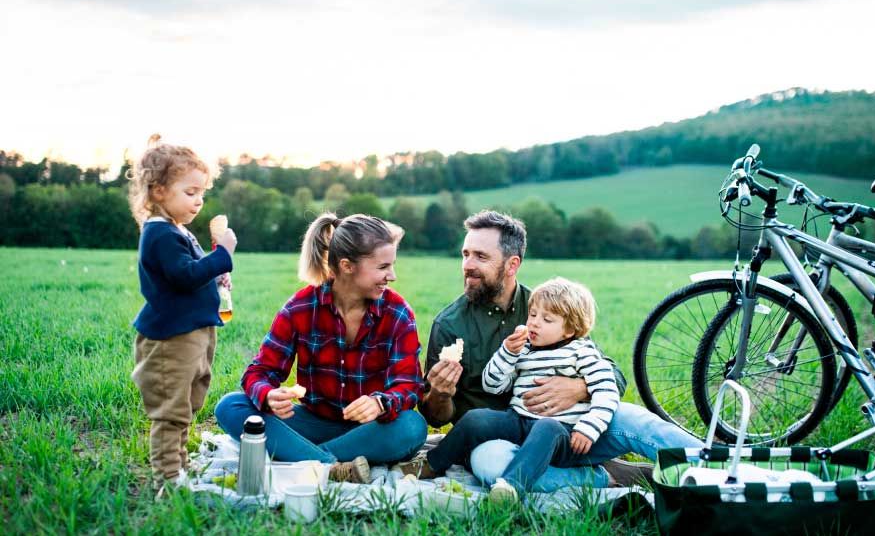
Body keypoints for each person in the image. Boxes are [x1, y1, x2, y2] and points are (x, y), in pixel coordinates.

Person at [415, 210, 702, 490]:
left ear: (512, 264)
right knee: (491, 466)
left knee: (637, 420)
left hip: (570, 428)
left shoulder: (545, 306)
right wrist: (440, 392)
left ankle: (724, 465)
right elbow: (436, 417)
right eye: (465, 254)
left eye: (480, 256)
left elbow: (609, 372)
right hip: (499, 437)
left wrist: (579, 388)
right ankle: (606, 477)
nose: (468, 265)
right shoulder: (449, 324)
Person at [215, 213, 427, 484]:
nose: (392, 276)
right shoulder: (301, 307)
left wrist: (380, 402)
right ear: (348, 266)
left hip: (370, 430)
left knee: (412, 427)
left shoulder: (397, 313)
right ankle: (331, 466)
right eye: (383, 267)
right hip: (311, 424)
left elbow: (408, 385)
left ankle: (303, 460)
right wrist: (267, 395)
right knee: (231, 406)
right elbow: (260, 371)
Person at [411, 277, 621, 502]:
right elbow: (492, 385)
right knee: (475, 418)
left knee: (546, 427)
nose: (534, 323)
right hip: (519, 420)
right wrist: (507, 353)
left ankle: (511, 486)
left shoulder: (582, 352)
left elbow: (608, 391)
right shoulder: (526, 349)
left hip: (562, 432)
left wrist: (588, 428)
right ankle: (430, 464)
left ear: (570, 330)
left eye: (546, 319)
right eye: (532, 315)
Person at [128, 134, 237, 495]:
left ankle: (180, 467)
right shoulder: (158, 234)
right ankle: (168, 480)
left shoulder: (177, 230)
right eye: (190, 192)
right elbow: (183, 275)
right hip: (171, 338)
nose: (199, 200)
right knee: (171, 409)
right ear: (159, 191)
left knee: (190, 401)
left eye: (202, 192)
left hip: (195, 331)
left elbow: (195, 273)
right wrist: (222, 254)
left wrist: (217, 271)